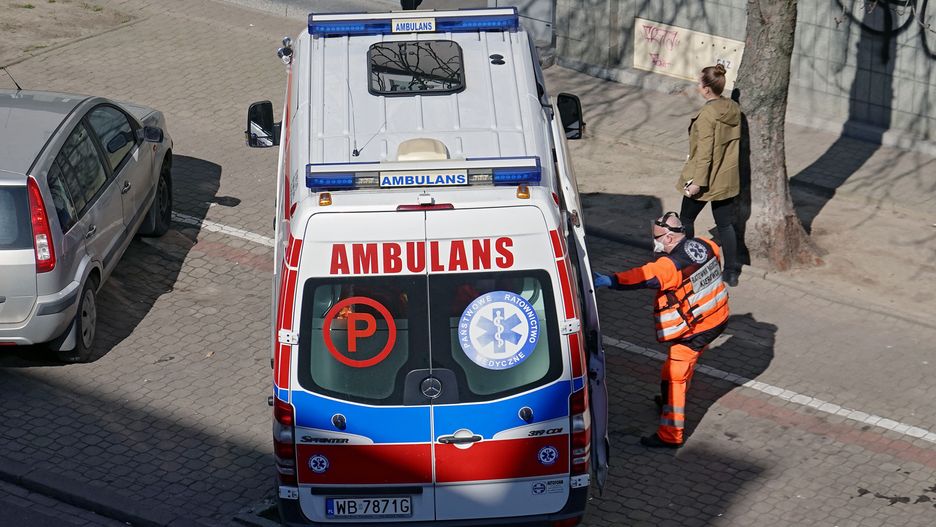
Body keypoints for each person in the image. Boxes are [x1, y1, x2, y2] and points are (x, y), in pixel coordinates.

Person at [593, 212, 730, 448]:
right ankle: (666, 397)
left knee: (676, 377)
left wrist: (609, 280)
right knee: (673, 370)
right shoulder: (705, 245)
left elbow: (642, 277)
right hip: (717, 318)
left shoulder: (670, 265)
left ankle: (671, 434)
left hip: (694, 332)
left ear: (668, 238)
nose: (654, 242)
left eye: (656, 237)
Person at [678, 64, 742, 287]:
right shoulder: (733, 108)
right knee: (725, 225)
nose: (697, 86)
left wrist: (698, 182)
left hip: (705, 178)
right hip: (726, 177)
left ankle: (688, 264)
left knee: (685, 219)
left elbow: (705, 153)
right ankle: (732, 271)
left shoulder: (708, 114)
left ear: (706, 89)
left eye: (699, 83)